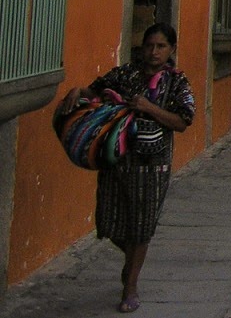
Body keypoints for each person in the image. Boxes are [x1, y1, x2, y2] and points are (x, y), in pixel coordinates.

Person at [59, 23, 195, 313]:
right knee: (108, 221)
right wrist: (78, 92)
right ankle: (132, 261)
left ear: (171, 49)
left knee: (141, 226)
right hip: (117, 161)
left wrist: (150, 108)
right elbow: (95, 91)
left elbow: (182, 121)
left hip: (152, 166)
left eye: (161, 46)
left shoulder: (177, 83)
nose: (154, 52)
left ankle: (130, 286)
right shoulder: (124, 74)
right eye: (150, 45)